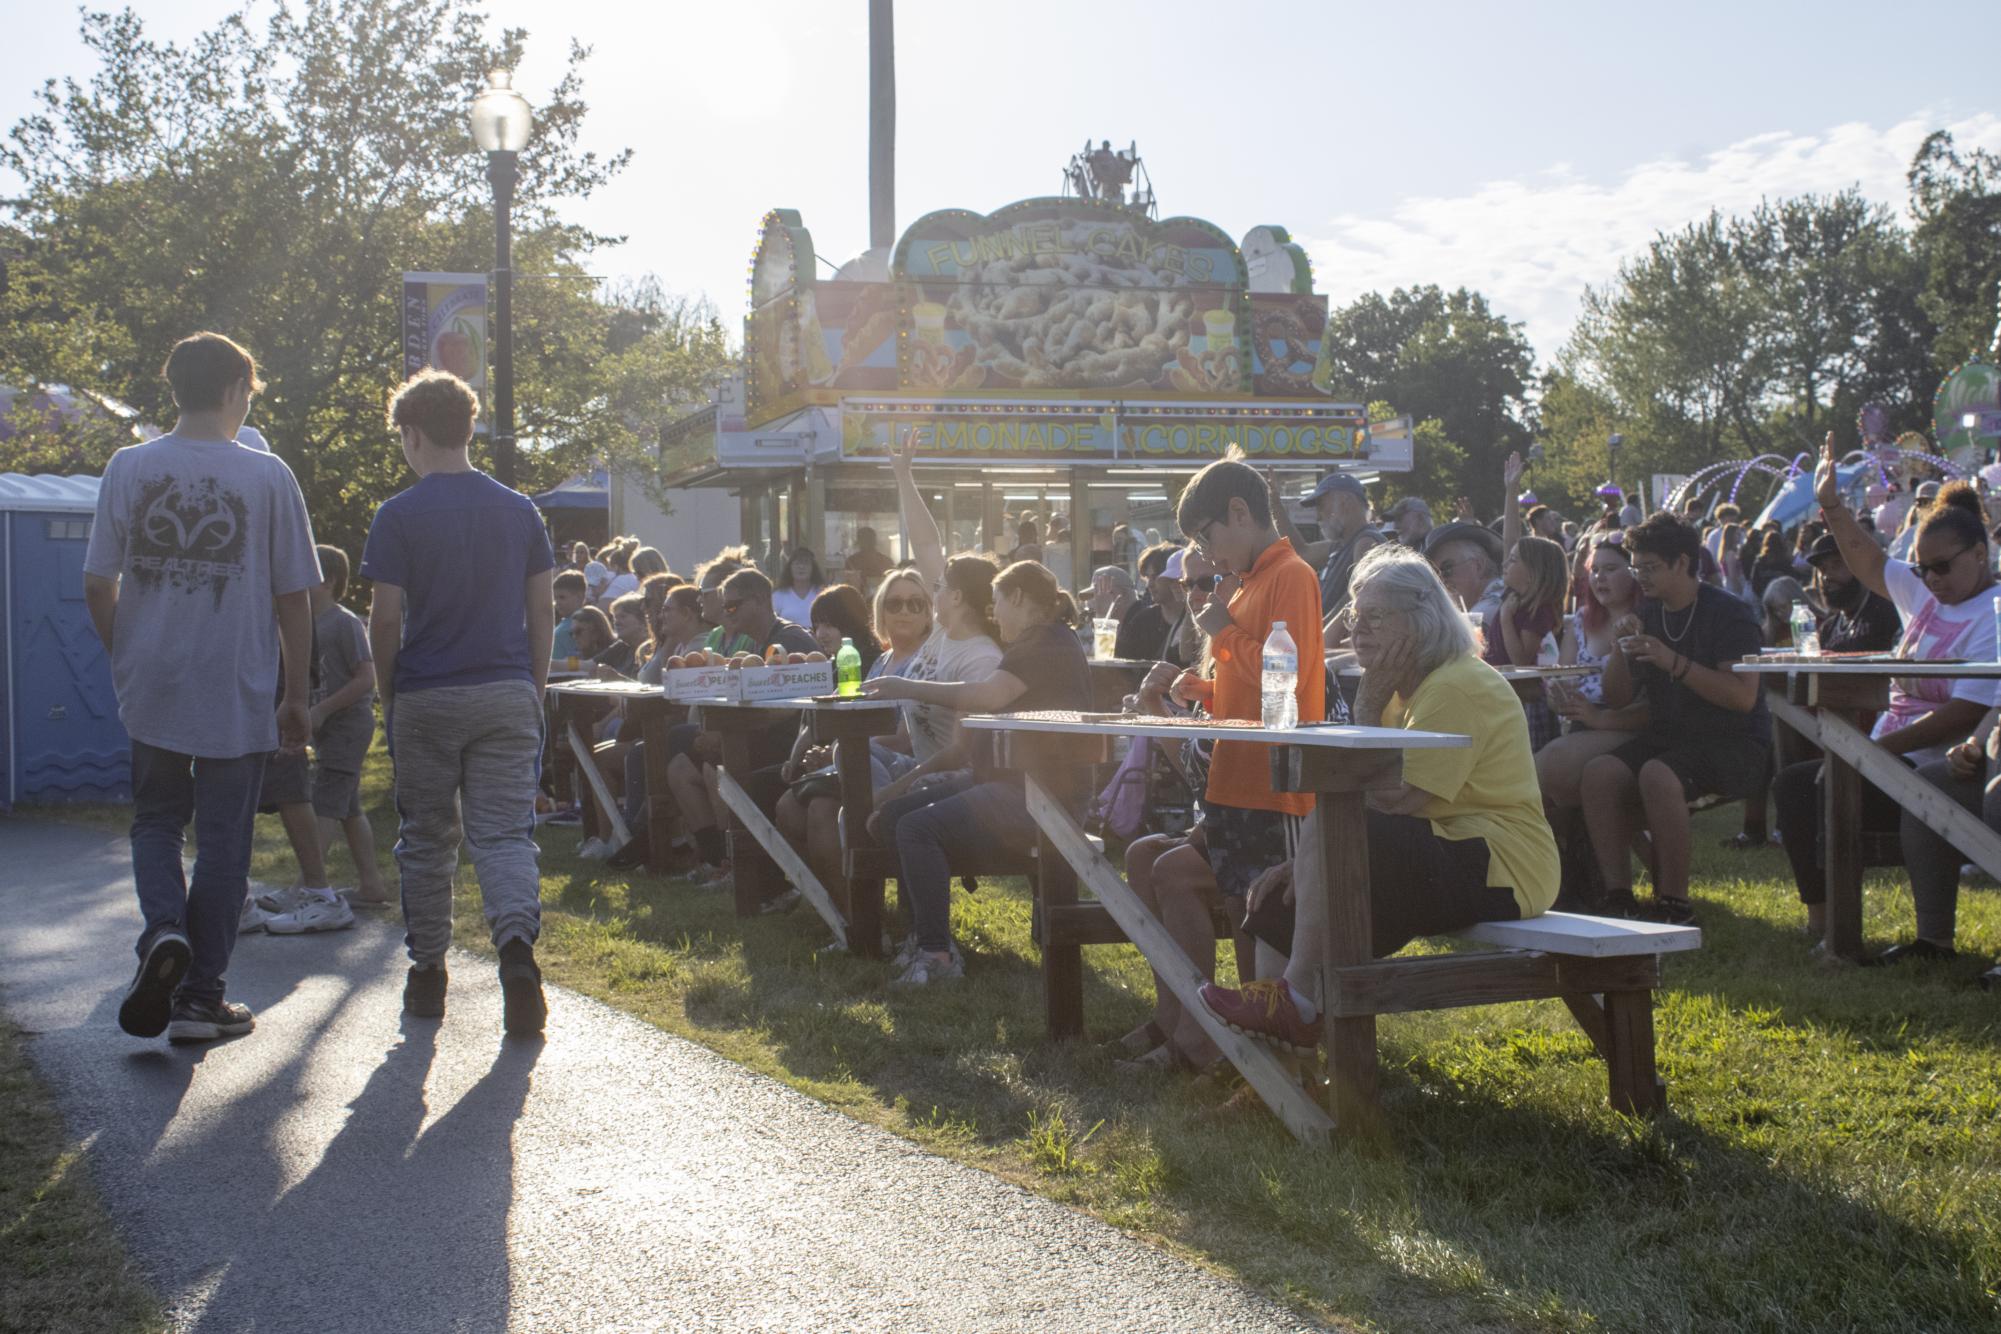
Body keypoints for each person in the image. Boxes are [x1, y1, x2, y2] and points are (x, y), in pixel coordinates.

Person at [1196, 546, 1559, 1051]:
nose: (1357, 630)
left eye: (1376, 617)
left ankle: (1296, 1003)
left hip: (1501, 864)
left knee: (1332, 833)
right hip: (1442, 851)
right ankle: (1275, 1071)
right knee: (1285, 893)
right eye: (1353, 616)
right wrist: (1299, 865)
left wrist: (1364, 706)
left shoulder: (1456, 684)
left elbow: (1393, 801)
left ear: (1422, 619)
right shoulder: (1404, 686)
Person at [82, 332, 321, 1043]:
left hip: (152, 682)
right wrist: (297, 695)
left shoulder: (128, 467)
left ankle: (162, 932)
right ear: (232, 389)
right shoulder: (269, 476)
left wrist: (125, 652)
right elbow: (293, 599)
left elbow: (98, 583)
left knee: (156, 820)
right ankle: (200, 1000)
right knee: (224, 842)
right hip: (235, 685)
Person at [363, 368, 554, 1035]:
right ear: (470, 427)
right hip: (505, 689)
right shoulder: (520, 511)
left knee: (426, 839)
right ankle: (515, 952)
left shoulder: (397, 516)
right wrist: (531, 686)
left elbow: (385, 619)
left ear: (413, 434)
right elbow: (541, 609)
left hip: (427, 693)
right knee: (503, 834)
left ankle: (427, 976)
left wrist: (388, 694)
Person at [1773, 441, 2001, 946]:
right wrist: (1830, 505)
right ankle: (1824, 921)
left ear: (1981, 554)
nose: (1931, 579)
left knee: (1823, 785)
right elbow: (1870, 563)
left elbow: (1966, 711)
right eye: (1922, 569)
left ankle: (1847, 937)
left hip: (1935, 762)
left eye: (1942, 567)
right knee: (1794, 783)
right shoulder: (1928, 593)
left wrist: (1873, 754)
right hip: (1891, 757)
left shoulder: (1994, 613)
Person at [863, 560, 1090, 984]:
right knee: (894, 817)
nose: (994, 612)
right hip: (1010, 783)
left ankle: (937, 956)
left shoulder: (1046, 643)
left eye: (998, 601)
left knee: (915, 828)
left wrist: (907, 687)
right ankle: (923, 936)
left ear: (1018, 598)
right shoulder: (1042, 640)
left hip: (1039, 796)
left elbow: (987, 695)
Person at [1578, 511, 1769, 924]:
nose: (1640, 577)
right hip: (1673, 738)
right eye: (1637, 567)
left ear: (1682, 562)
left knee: (1656, 774)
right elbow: (1618, 698)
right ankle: (1619, 894)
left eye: (1649, 567)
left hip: (1733, 741)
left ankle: (1674, 900)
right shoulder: (1650, 613)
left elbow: (1742, 698)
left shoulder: (1729, 613)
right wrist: (1619, 647)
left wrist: (1673, 663)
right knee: (1598, 774)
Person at [661, 568, 818, 882]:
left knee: (715, 765)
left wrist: (726, 733)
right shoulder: (761, 643)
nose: (724, 612)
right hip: (764, 737)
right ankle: (716, 858)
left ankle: (737, 866)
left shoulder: (790, 640)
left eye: (732, 606)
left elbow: (794, 707)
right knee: (680, 766)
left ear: (759, 602)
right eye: (723, 605)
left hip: (792, 744)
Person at [1538, 531, 1648, 810]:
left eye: (1611, 569)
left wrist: (1596, 716)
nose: (1599, 577)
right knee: (1546, 789)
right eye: (1595, 570)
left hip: (1626, 724)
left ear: (1635, 574)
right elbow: (1560, 680)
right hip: (1581, 723)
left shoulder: (1647, 621)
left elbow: (1649, 703)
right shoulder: (1579, 622)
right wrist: (1559, 697)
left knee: (1547, 767)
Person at [305, 545, 389, 908]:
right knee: (349, 808)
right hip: (325, 728)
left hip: (348, 726)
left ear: (328, 580)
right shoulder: (302, 624)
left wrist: (322, 709)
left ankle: (307, 888)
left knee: (324, 803)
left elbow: (366, 678)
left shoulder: (344, 622)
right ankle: (371, 886)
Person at [1266, 468, 1381, 644]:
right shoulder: (1342, 545)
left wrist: (1321, 629)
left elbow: (1358, 595)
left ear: (1345, 502)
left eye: (1322, 506)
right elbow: (1300, 551)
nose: (1318, 515)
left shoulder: (1365, 542)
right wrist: (1275, 503)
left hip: (1334, 646)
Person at [1803, 532, 1900, 654]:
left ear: (1859, 567)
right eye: (1822, 569)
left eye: (1836, 565)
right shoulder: (1827, 629)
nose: (1826, 576)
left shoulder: (1886, 612)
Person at [1423, 521, 1505, 628]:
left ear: (1478, 566)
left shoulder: (1481, 616)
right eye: (1435, 575)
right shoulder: (1503, 593)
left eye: (1447, 569)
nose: (1441, 581)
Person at [1114, 543, 1179, 660]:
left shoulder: (1195, 620)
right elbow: (1120, 663)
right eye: (1148, 578)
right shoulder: (1143, 621)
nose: (1149, 585)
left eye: (1155, 577)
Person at [772, 546, 826, 626]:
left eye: (806, 563)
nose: (801, 567)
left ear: (813, 568)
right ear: (790, 568)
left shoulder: (822, 594)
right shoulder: (778, 596)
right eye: (797, 563)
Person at [551, 569, 587, 661]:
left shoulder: (580, 624)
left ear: (580, 596)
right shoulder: (565, 622)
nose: (557, 602)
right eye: (555, 598)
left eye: (562, 597)